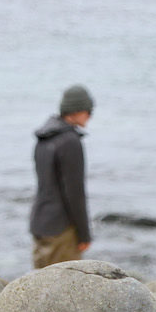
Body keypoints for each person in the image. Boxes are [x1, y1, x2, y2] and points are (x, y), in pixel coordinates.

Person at [29, 85, 94, 268]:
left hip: (40, 221)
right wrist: (84, 234)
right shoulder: (70, 141)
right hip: (61, 228)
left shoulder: (44, 137)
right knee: (66, 287)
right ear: (79, 110)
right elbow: (75, 192)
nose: (90, 116)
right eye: (90, 111)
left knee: (40, 284)